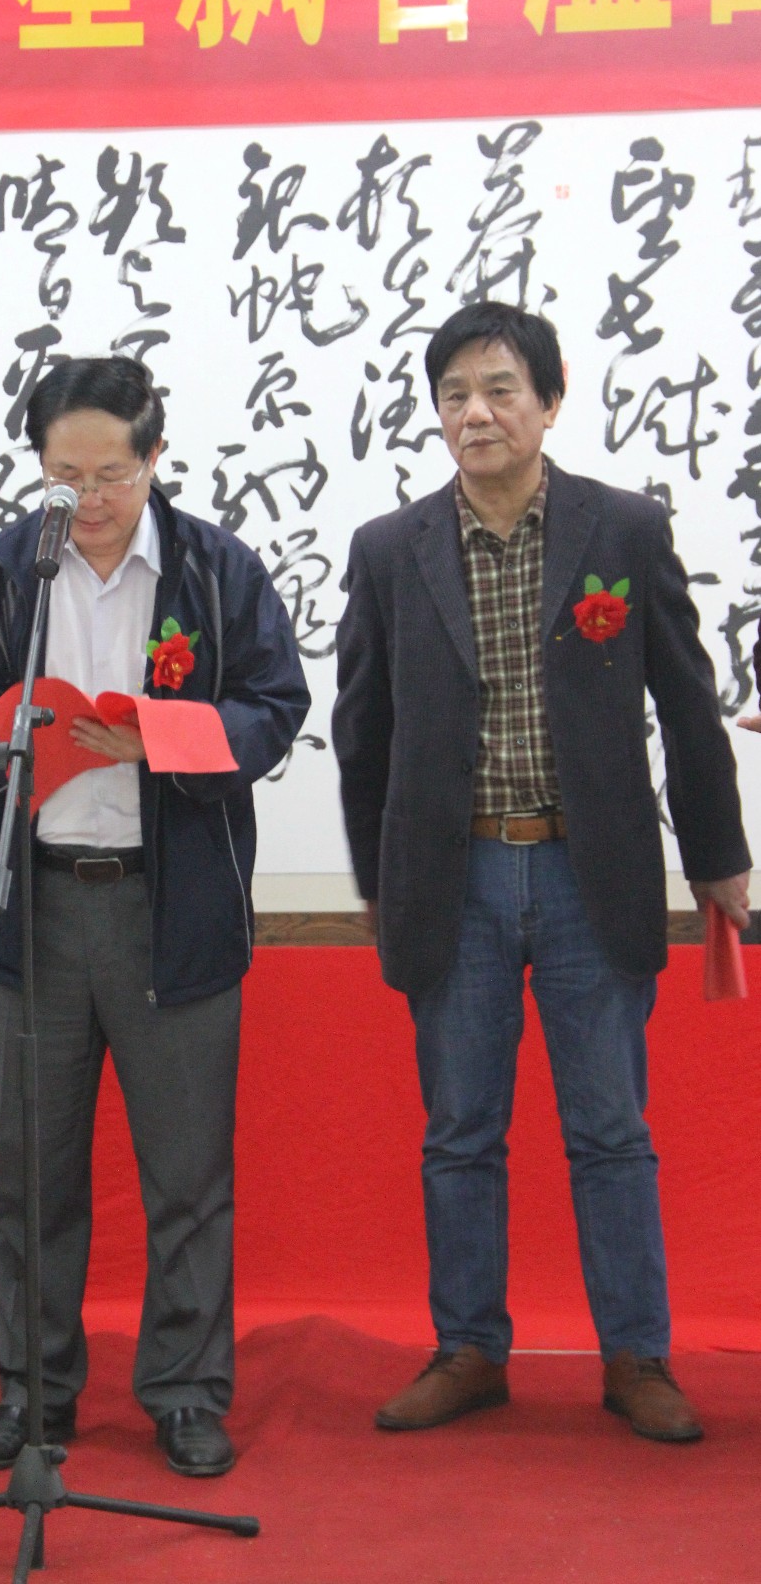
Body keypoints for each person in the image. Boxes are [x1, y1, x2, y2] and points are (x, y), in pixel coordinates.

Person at [332, 301, 750, 1443]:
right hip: (451, 876)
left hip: (586, 872)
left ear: (549, 402)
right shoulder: (390, 549)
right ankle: (468, 1349)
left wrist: (717, 858)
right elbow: (361, 726)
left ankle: (635, 1357)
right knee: (458, 1130)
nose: (475, 413)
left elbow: (685, 703)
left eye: (499, 389)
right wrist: (378, 876)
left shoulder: (621, 530)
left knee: (609, 1129)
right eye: (453, 394)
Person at [0, 355, 309, 1477]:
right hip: (38, 907)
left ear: (153, 459)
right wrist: (12, 742)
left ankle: (183, 1392)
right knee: (32, 1177)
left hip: (168, 905)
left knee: (185, 1175)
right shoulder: (6, 571)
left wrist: (161, 738)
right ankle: (32, 1393)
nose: (85, 499)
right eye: (62, 476)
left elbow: (275, 707)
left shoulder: (216, 569)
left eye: (108, 475)